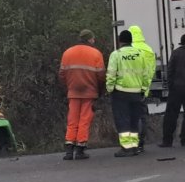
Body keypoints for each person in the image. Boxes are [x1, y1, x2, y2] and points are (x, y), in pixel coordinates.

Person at [58, 29, 106, 160]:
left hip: (73, 91)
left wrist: (67, 88)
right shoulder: (96, 53)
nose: (94, 41)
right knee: (85, 120)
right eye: (93, 39)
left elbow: (62, 75)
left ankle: (69, 149)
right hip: (89, 92)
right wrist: (100, 91)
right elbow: (101, 76)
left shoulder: (68, 52)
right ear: (89, 39)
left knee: (72, 120)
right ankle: (80, 149)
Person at [106, 29, 151, 157]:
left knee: (123, 120)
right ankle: (135, 146)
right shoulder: (140, 54)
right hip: (136, 93)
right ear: (132, 40)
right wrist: (143, 90)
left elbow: (111, 74)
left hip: (120, 92)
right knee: (134, 120)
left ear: (120, 41)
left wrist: (109, 89)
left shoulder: (116, 54)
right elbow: (146, 74)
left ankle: (126, 148)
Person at [128, 25, 157, 152]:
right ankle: (141, 142)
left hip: (128, 89)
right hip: (142, 89)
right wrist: (145, 87)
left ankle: (131, 143)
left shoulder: (128, 50)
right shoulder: (148, 50)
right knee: (141, 116)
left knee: (129, 117)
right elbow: (150, 71)